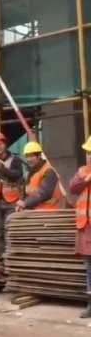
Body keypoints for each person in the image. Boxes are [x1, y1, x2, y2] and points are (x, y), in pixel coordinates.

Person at [70, 136, 91, 318]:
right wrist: (87, 179)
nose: (90, 156)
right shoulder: (83, 171)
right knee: (89, 269)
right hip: (86, 228)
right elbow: (73, 187)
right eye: (88, 153)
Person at [16, 141, 63, 211]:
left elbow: (44, 193)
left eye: (31, 156)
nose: (29, 159)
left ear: (39, 156)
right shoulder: (31, 171)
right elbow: (26, 192)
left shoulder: (49, 171)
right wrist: (21, 203)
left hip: (48, 211)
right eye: (27, 156)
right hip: (35, 210)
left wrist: (25, 203)